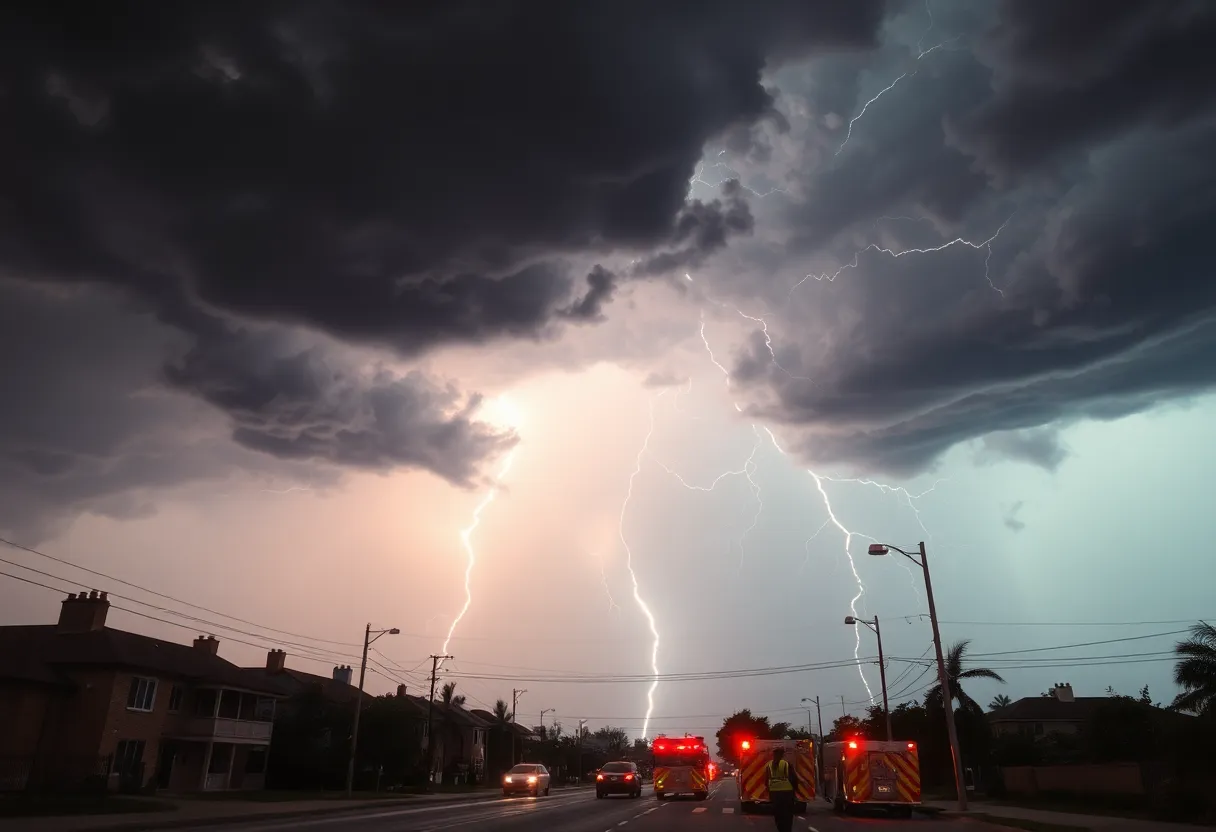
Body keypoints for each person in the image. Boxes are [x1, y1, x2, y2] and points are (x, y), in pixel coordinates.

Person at [766, 746, 798, 832]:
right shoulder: (786, 764)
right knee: (787, 815)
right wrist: (795, 791)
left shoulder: (769, 765)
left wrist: (769, 791)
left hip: (774, 793)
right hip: (787, 793)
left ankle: (780, 829)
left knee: (778, 814)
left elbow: (766, 780)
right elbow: (793, 778)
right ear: (782, 755)